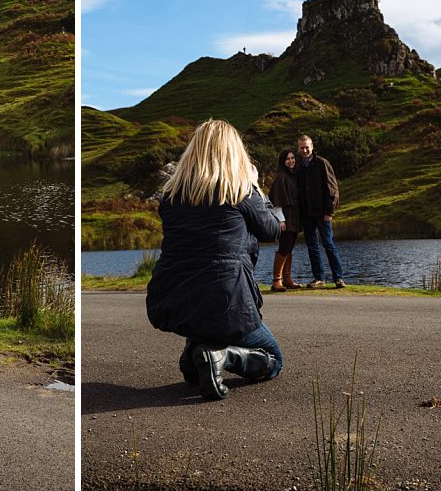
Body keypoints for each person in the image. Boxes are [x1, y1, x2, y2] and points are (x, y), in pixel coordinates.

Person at [144, 119, 284, 400]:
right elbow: (271, 230)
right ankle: (222, 355)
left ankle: (198, 351)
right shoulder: (240, 190)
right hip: (225, 300)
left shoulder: (171, 196)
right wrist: (256, 187)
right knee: (272, 359)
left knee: (205, 323)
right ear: (234, 152)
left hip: (175, 296)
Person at [292, 134, 345, 288]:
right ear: (298, 148)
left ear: (312, 146)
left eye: (307, 147)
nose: (304, 150)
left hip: (323, 213)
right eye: (301, 147)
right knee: (312, 247)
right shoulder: (299, 167)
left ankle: (338, 278)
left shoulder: (322, 163)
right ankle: (319, 279)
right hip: (306, 214)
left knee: (328, 244)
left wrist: (330, 212)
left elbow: (333, 189)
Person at [265, 150, 302, 291]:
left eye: (293, 158)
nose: (291, 161)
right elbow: (276, 201)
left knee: (290, 247)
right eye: (287, 159)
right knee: (284, 246)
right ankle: (277, 281)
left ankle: (287, 279)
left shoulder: (293, 176)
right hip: (285, 217)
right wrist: (281, 220)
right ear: (282, 161)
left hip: (294, 215)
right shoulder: (281, 177)